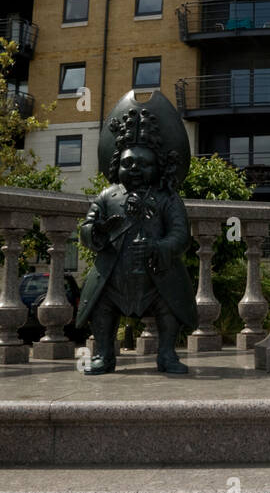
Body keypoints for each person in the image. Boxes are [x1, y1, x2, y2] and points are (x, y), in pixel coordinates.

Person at [77, 91, 198, 373]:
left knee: (168, 309)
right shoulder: (107, 196)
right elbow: (85, 229)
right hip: (113, 279)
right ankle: (104, 354)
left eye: (144, 164)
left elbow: (181, 235)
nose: (134, 170)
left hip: (156, 279)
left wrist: (158, 246)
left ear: (157, 167)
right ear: (116, 164)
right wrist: (97, 231)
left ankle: (167, 353)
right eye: (127, 164)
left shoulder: (167, 198)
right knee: (102, 308)